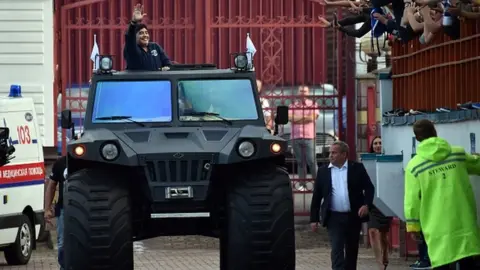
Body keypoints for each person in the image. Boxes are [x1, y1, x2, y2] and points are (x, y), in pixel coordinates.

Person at [404, 119, 480, 269]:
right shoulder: (457, 154)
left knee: (441, 262)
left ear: (417, 138)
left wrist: (413, 226)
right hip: (464, 222)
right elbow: (477, 166)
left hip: (436, 227)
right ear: (435, 132)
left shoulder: (414, 166)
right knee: (468, 263)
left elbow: (412, 201)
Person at [310, 141, 375, 270]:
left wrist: (366, 205)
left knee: (351, 249)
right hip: (334, 217)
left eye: (334, 153)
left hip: (353, 216)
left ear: (344, 154)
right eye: (330, 153)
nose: (330, 155)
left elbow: (369, 188)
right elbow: (317, 196)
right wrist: (314, 219)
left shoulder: (357, 168)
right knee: (336, 248)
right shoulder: (323, 172)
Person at [366, 136, 393, 270]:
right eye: (375, 143)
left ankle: (385, 254)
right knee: (372, 231)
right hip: (372, 201)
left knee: (383, 233)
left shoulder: (389, 160)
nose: (377, 145)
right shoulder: (367, 161)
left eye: (380, 143)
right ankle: (379, 263)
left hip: (386, 200)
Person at [123, 4, 172, 71]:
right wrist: (134, 22)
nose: (145, 35)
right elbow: (129, 38)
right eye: (141, 33)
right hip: (138, 81)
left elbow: (168, 63)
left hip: (158, 81)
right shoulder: (132, 49)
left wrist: (166, 69)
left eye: (146, 33)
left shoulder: (155, 46)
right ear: (135, 37)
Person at [288, 85, 319, 185]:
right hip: (295, 137)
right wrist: (305, 117)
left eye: (305, 91)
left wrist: (298, 118)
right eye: (301, 91)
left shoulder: (313, 104)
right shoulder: (292, 105)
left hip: (309, 137)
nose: (303, 93)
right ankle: (302, 184)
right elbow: (290, 118)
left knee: (312, 161)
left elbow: (312, 118)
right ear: (298, 93)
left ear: (308, 93)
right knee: (300, 162)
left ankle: (318, 183)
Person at [44, 155, 67, 270]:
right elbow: (51, 185)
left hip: (88, 209)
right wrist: (47, 209)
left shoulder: (90, 160)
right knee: (62, 243)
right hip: (64, 209)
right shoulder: (61, 162)